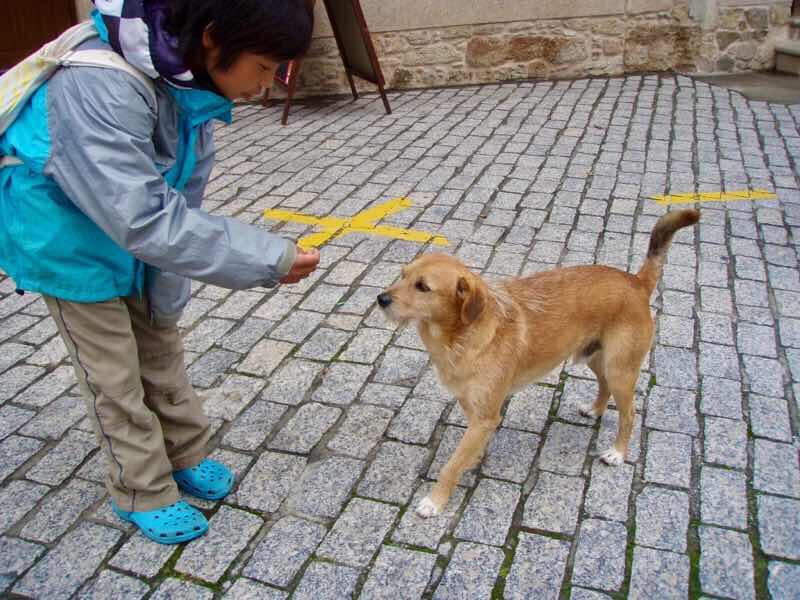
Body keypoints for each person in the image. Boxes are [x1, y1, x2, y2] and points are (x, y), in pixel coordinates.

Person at [0, 0, 319, 544]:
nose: (267, 85)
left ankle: (183, 452)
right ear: (216, 38)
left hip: (136, 231)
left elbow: (179, 200)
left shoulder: (188, 84)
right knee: (113, 373)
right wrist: (267, 258)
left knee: (160, 341)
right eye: (265, 68)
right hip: (64, 238)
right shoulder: (98, 83)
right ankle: (140, 488)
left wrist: (172, 282)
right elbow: (145, 218)